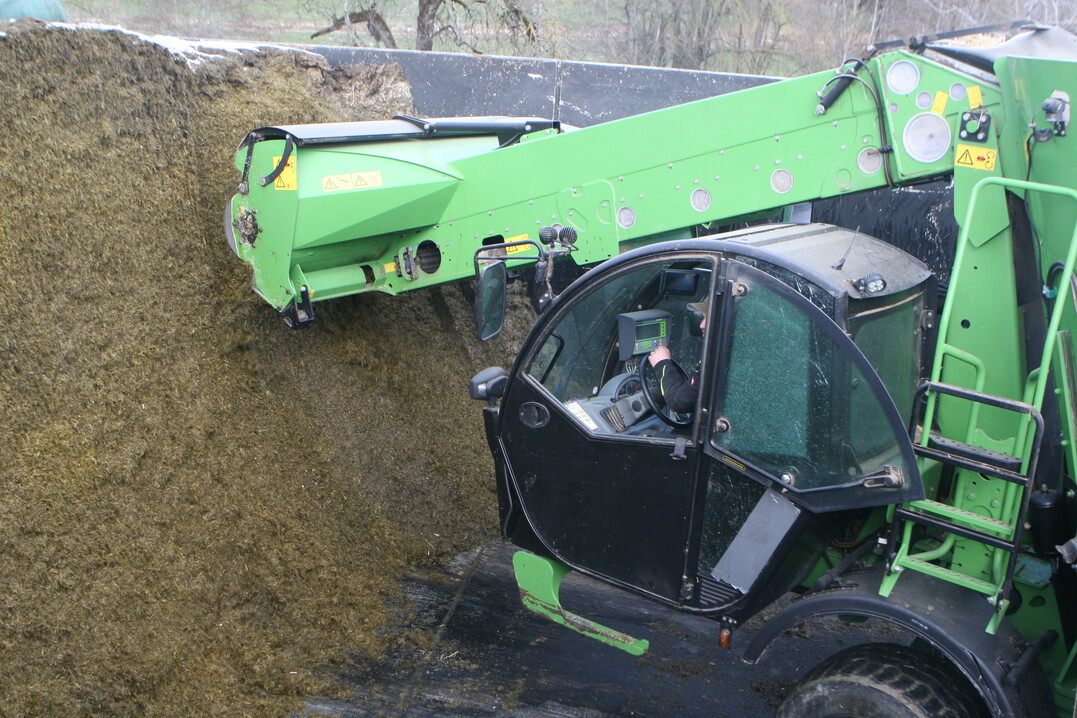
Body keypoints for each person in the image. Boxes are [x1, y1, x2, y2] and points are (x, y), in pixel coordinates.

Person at [647, 300, 706, 414]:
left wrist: (661, 364)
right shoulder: (723, 354)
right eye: (702, 318)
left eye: (707, 318)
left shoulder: (714, 362)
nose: (701, 325)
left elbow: (680, 402)